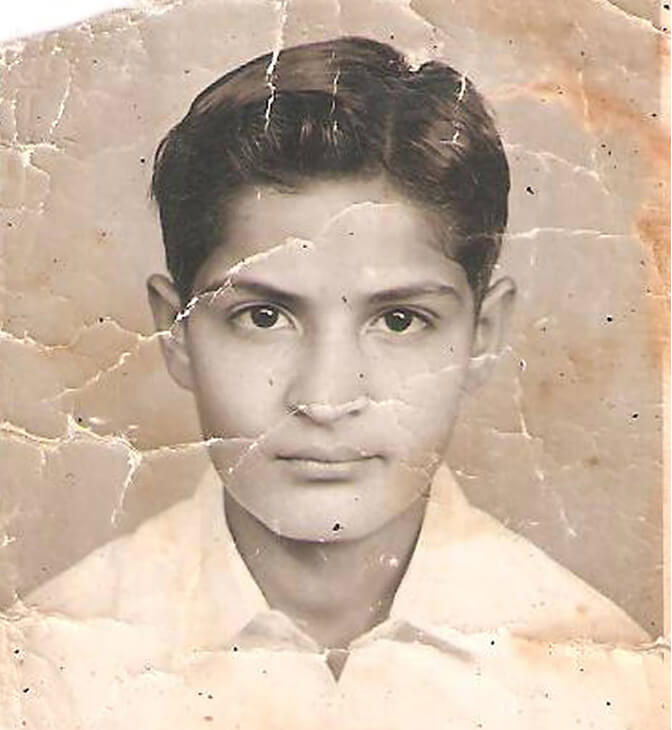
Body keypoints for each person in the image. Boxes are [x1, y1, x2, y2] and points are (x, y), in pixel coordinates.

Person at [4, 36, 665, 730]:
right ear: (177, 330)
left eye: (400, 321)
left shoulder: (610, 682)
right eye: (264, 317)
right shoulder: (42, 672)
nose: (324, 400)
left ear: (484, 335)